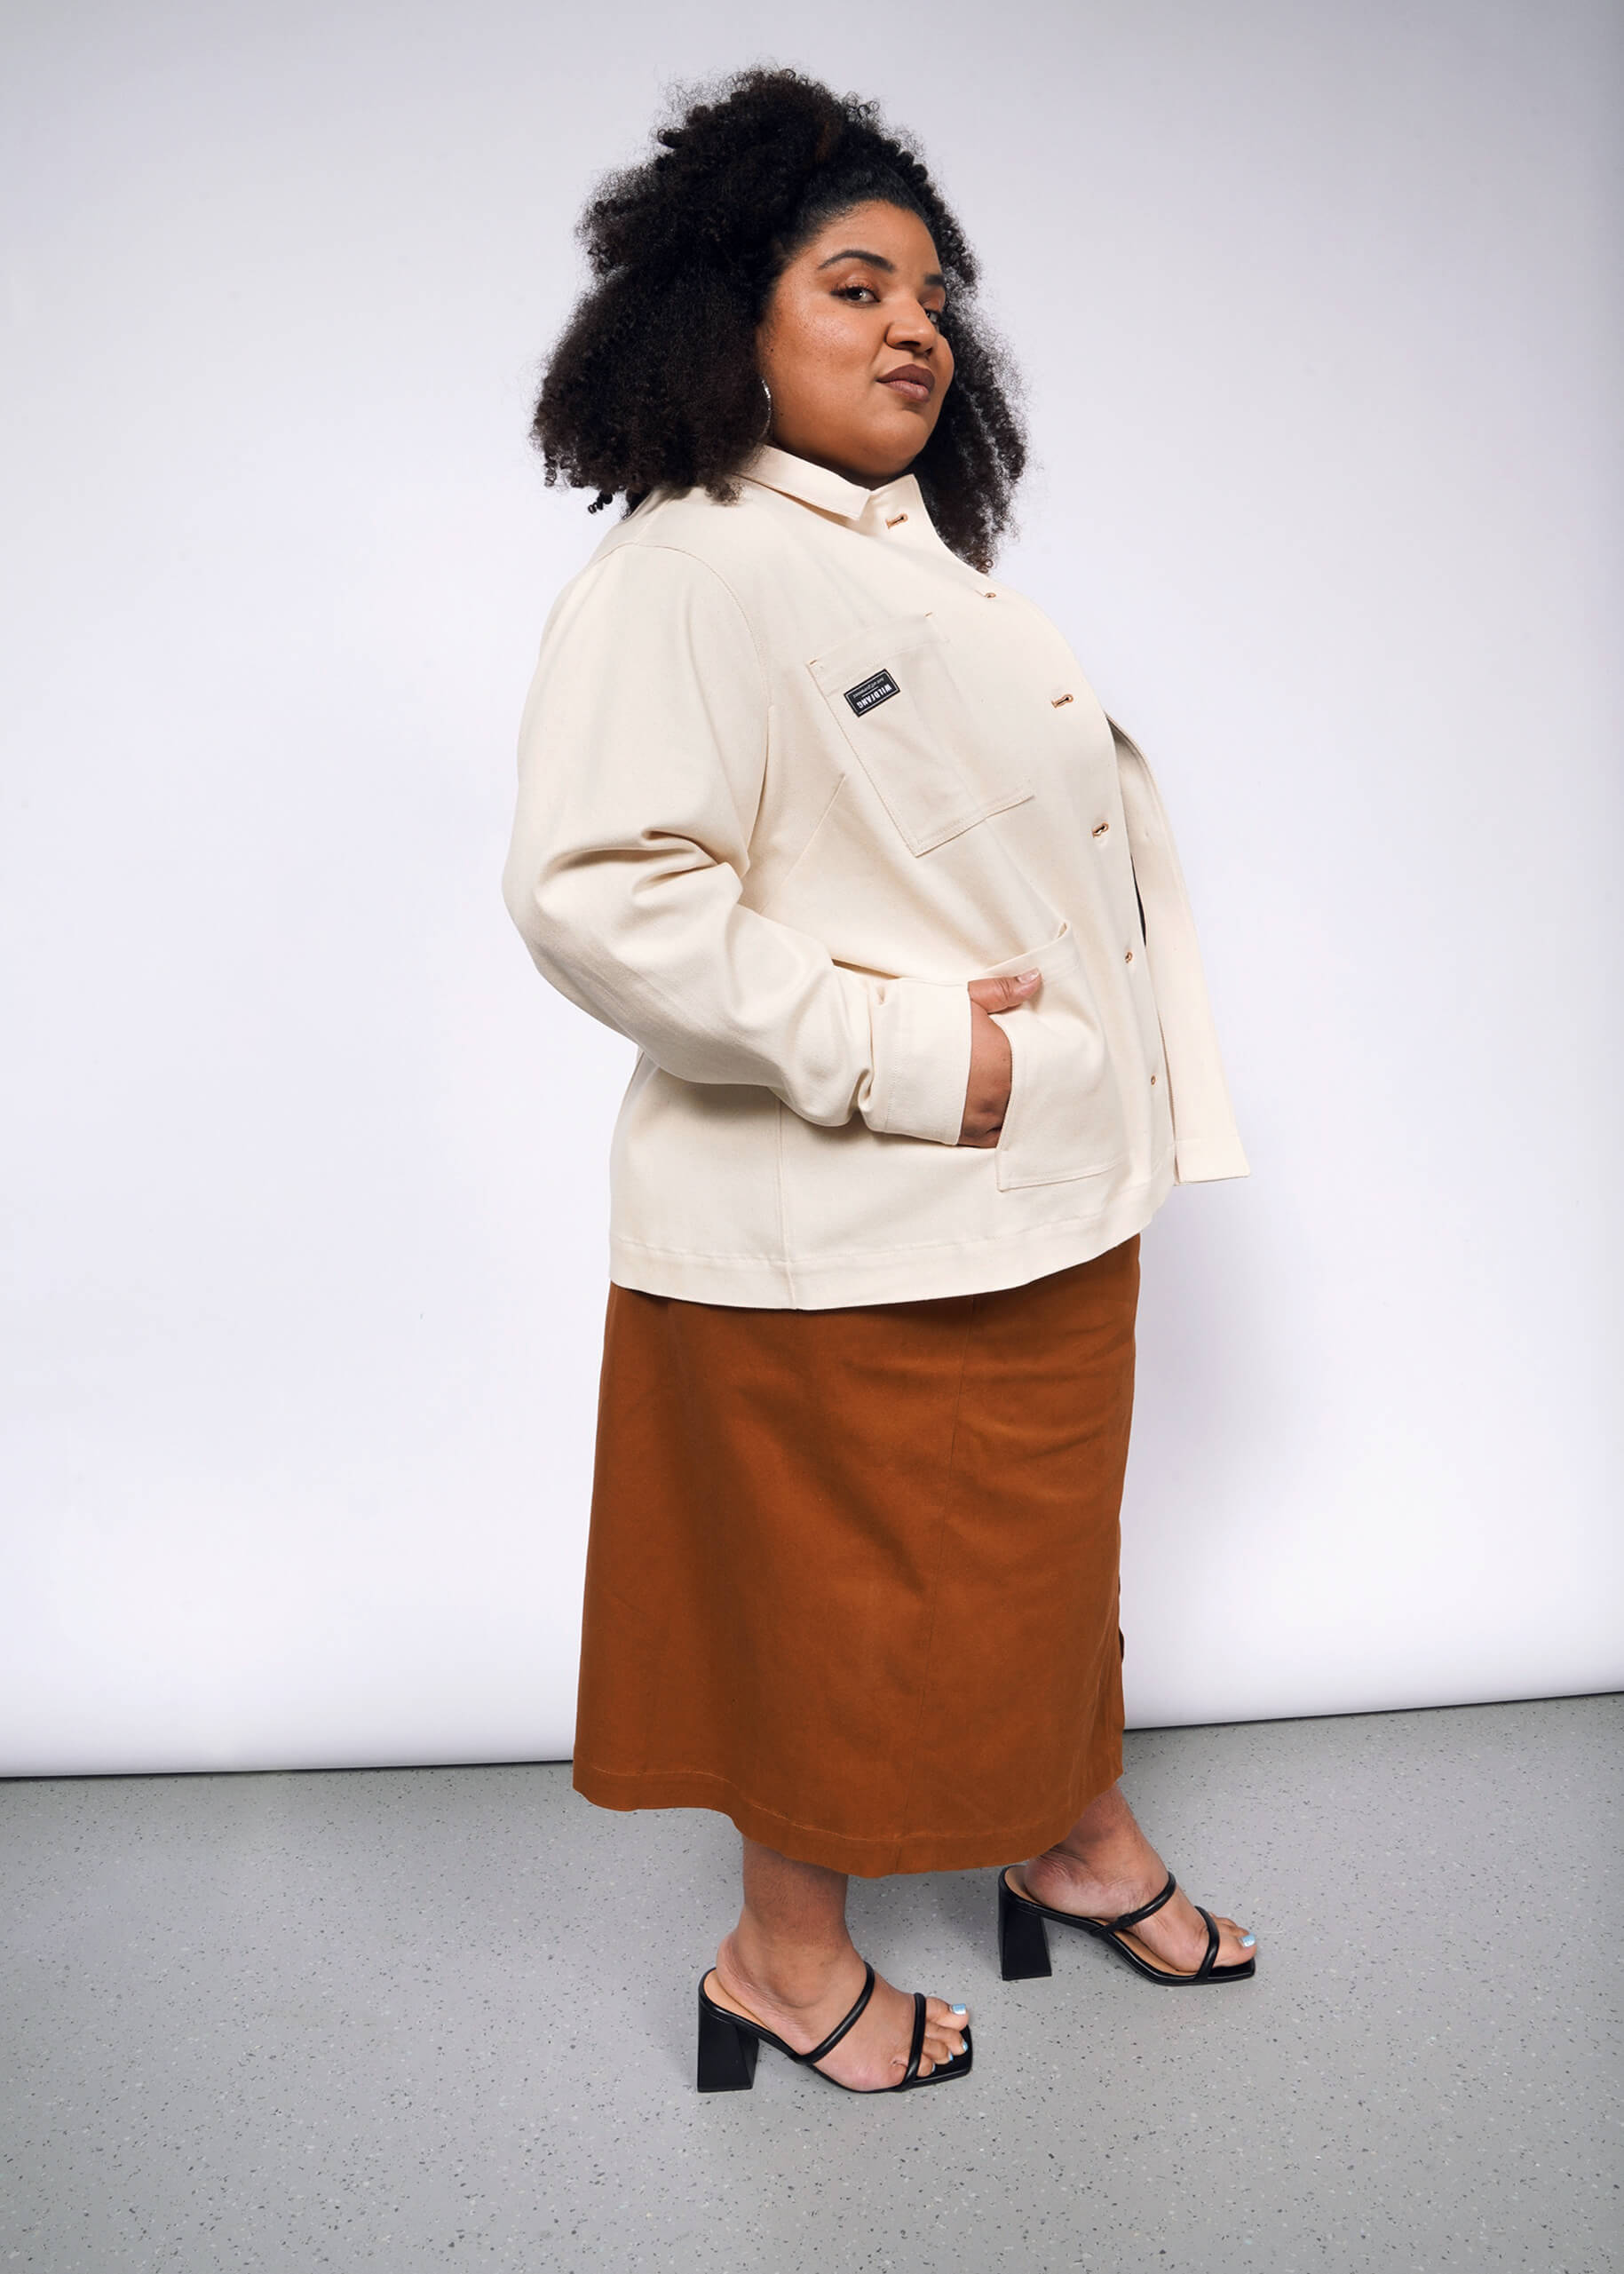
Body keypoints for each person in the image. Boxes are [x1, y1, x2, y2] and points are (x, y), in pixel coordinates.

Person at [503, 67, 1256, 2097]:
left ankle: (1071, 1841)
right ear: (725, 313)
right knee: (830, 1603)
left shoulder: (917, 568)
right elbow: (599, 902)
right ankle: (781, 1958)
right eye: (856, 284)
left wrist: (1047, 1086)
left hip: (1038, 1187)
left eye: (936, 293)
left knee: (1039, 1557)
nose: (916, 324)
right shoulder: (692, 568)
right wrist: (936, 1056)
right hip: (839, 1211)